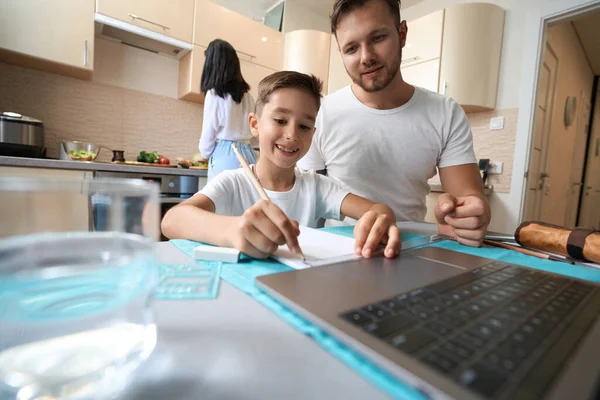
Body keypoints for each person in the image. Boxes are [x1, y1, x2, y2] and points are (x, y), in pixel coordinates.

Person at [298, 0, 491, 247]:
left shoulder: (445, 113)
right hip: (341, 250)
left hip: (412, 250)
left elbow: (469, 199)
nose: (366, 57)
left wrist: (472, 214)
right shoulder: (320, 113)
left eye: (377, 38)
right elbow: (306, 199)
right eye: (351, 48)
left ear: (402, 34)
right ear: (341, 54)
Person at [162, 71, 401, 260]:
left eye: (304, 126)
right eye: (280, 120)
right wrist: (233, 230)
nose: (292, 134)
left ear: (313, 133)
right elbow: (171, 221)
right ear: (255, 124)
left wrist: (381, 217)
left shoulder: (316, 186)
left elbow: (378, 209)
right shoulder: (232, 182)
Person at [198, 39, 256, 181]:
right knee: (246, 201)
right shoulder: (248, 96)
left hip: (225, 155)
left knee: (222, 201)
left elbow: (209, 131)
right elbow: (255, 134)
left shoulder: (214, 94)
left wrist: (204, 154)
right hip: (249, 154)